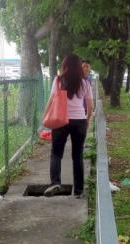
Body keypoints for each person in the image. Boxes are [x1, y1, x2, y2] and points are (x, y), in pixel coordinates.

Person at [43, 54, 94, 198]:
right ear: (79, 67)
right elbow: (90, 106)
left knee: (56, 153)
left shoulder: (58, 80)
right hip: (79, 121)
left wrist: (45, 115)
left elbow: (51, 100)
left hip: (61, 121)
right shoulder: (85, 83)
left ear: (64, 66)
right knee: (77, 155)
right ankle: (78, 191)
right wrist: (87, 119)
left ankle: (55, 183)